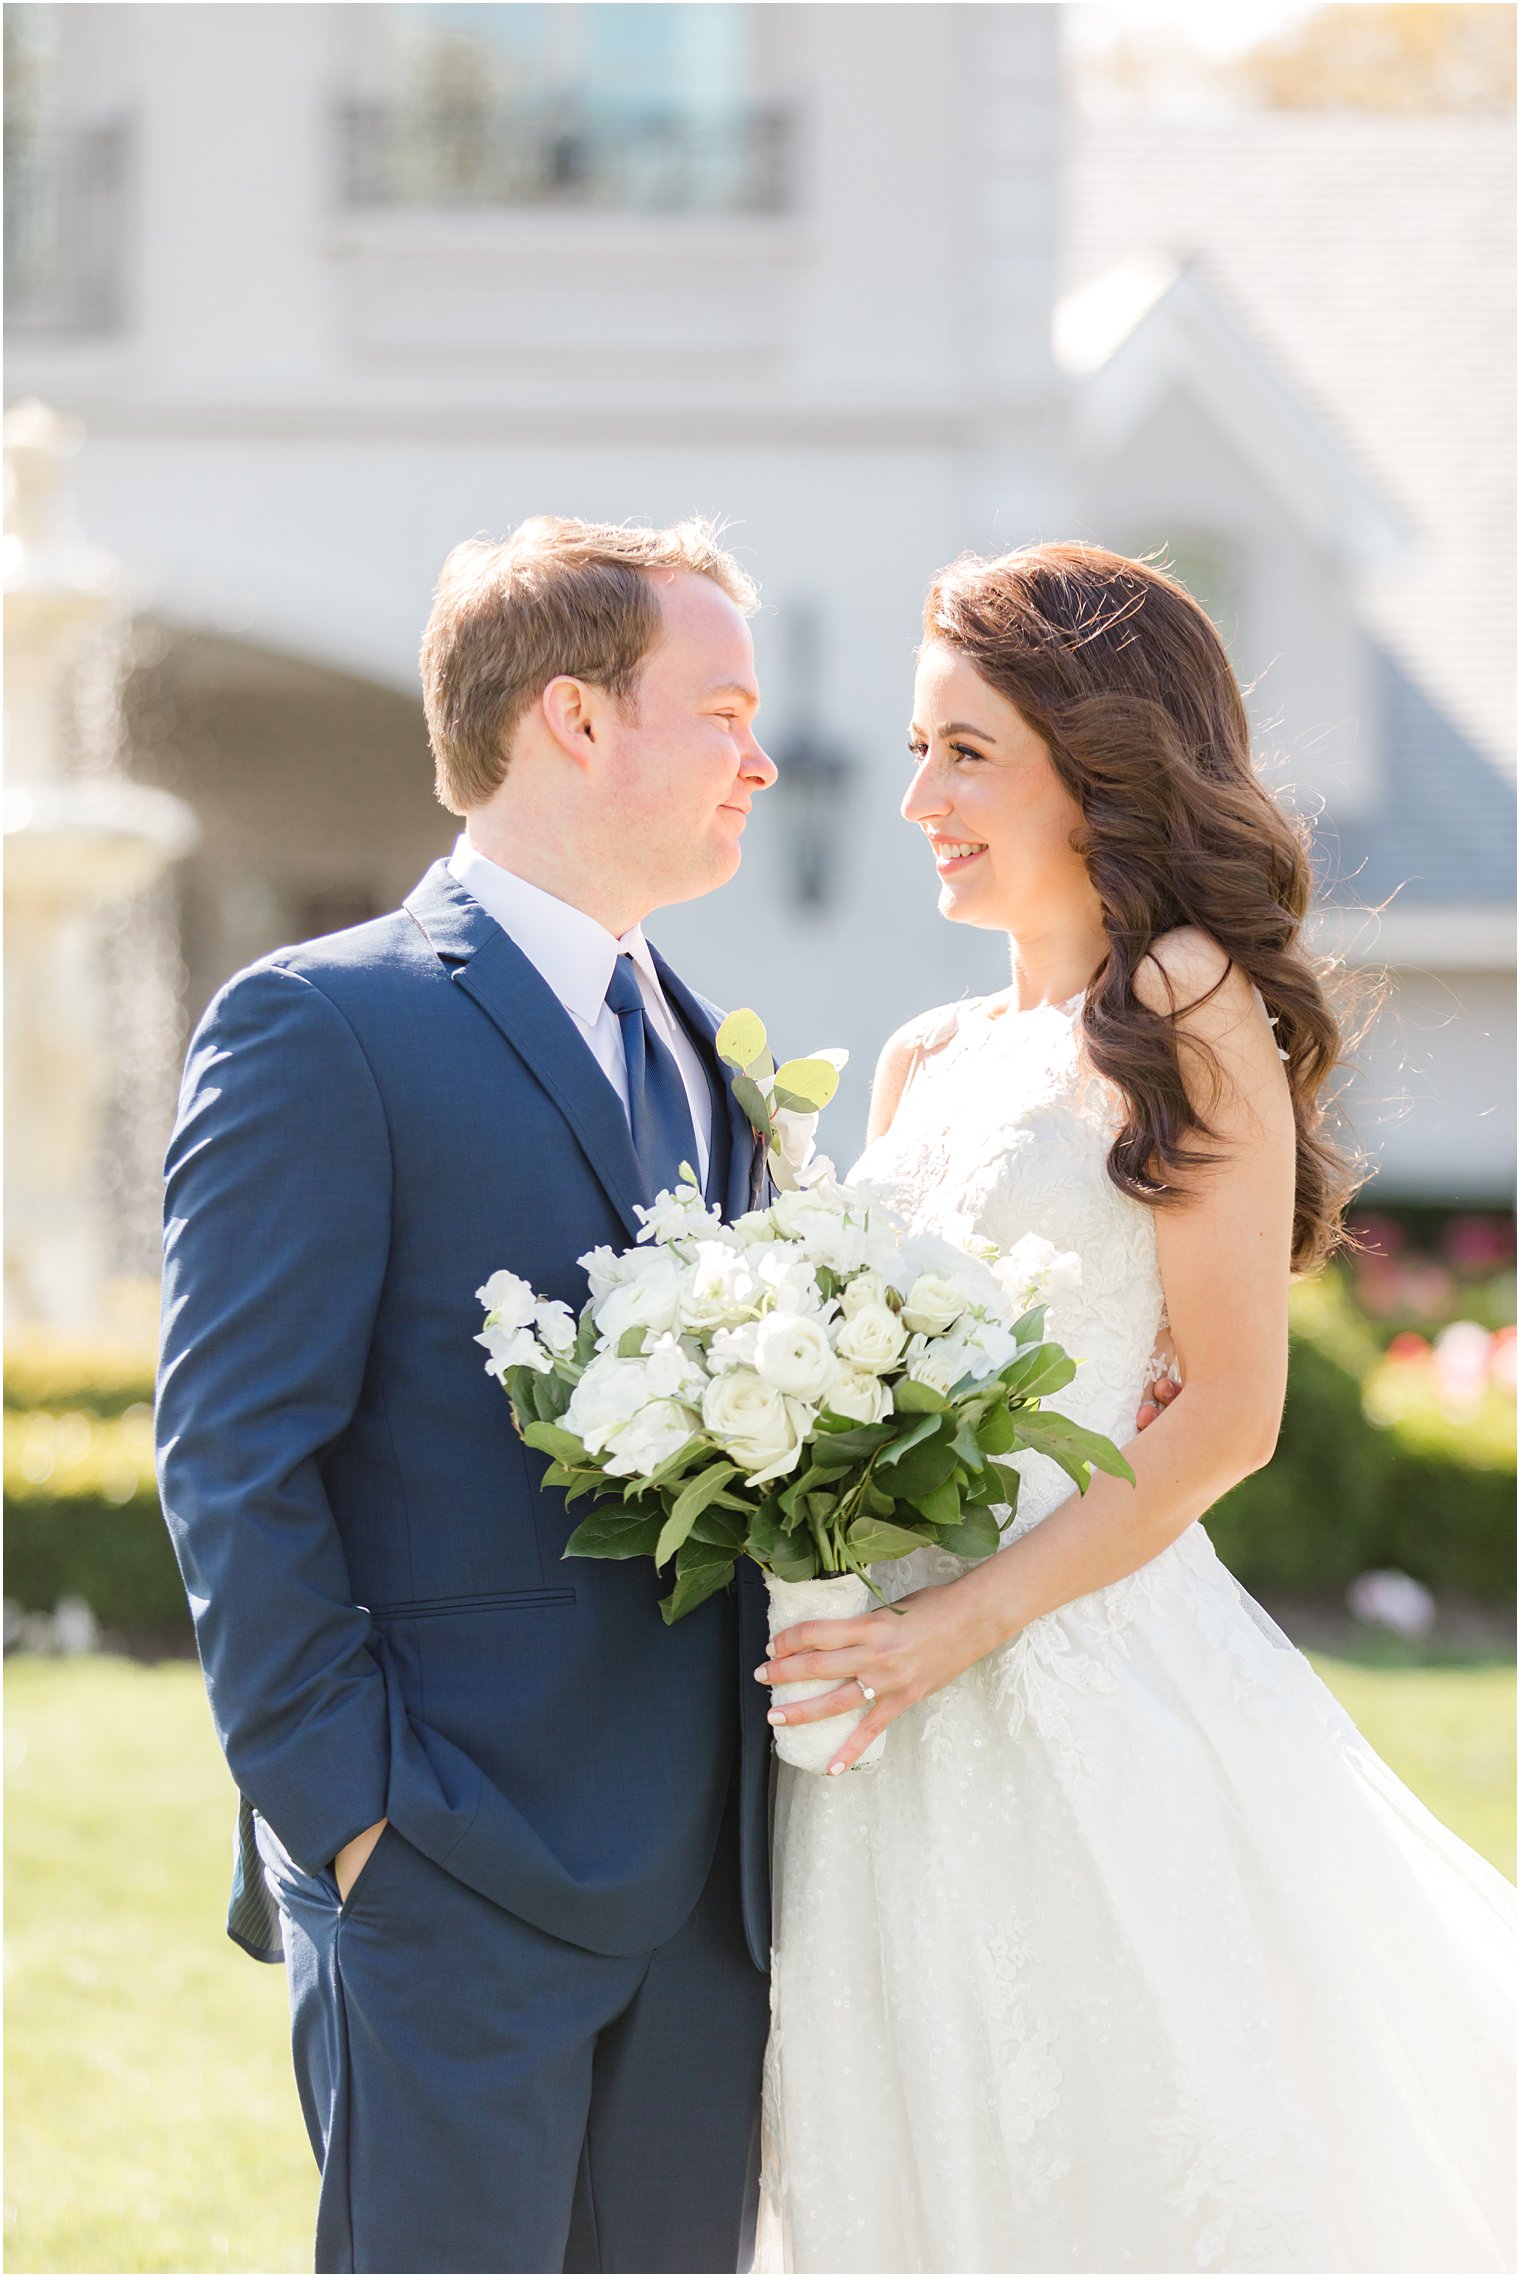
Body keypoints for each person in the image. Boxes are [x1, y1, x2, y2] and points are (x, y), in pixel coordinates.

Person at [756, 543, 1517, 2275]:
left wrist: (962, 1622)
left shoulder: (1181, 1002)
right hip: (876, 1708)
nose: (918, 799)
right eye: (914, 750)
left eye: (965, 751)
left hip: (1076, 1674)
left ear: (1092, 764)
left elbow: (1231, 1409)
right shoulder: (924, 1059)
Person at [156, 516, 782, 2276]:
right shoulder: (319, 1023)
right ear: (575, 721)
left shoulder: (706, 1049)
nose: (763, 754)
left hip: (705, 1904)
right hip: (442, 1872)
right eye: (723, 706)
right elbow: (230, 1459)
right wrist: (355, 1824)